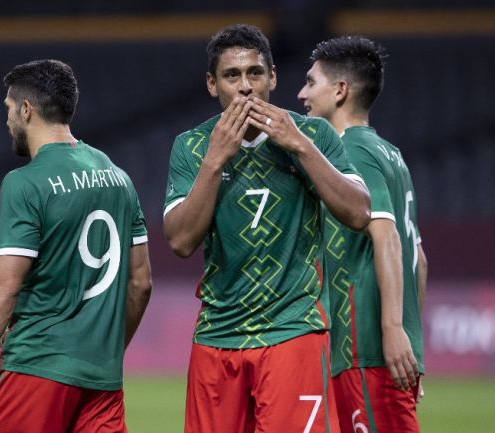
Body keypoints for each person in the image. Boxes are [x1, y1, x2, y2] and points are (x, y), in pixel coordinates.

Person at [163, 24, 371, 433]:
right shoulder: (191, 146)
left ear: (272, 78)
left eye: (255, 73)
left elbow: (359, 213)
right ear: (212, 84)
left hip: (292, 332)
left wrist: (298, 146)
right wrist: (215, 160)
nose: (245, 88)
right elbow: (181, 241)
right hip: (217, 336)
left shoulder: (314, 134)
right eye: (232, 76)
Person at [0, 59, 152, 433]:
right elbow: (141, 282)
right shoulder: (119, 177)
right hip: (101, 381)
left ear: (26, 109)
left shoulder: (26, 183)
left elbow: (4, 286)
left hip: (34, 370)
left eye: (8, 108)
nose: (6, 120)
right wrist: (107, 351)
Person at [298, 36, 427, 433]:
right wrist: (411, 340)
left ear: (340, 91)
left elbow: (386, 236)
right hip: (378, 349)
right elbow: (419, 260)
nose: (302, 93)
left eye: (311, 82)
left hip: (365, 346)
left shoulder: (352, 150)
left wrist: (391, 331)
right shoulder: (391, 153)